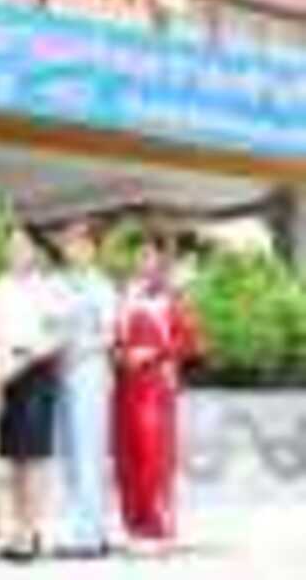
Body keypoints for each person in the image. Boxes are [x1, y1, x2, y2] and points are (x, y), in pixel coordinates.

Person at [114, 236, 200, 556]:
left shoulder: (172, 298)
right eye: (139, 256)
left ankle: (159, 527)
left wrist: (155, 353)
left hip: (156, 385)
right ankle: (134, 526)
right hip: (126, 385)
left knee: (155, 455)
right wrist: (119, 354)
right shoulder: (125, 296)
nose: (144, 262)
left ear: (160, 261)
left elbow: (190, 342)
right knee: (128, 455)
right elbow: (115, 338)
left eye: (150, 256)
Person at [0, 224, 64, 562]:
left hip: (35, 372)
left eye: (22, 245)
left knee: (33, 457)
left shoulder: (48, 288)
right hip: (5, 374)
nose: (16, 251)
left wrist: (26, 358)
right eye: (11, 245)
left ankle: (31, 532)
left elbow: (56, 336)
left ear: (35, 251)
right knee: (14, 458)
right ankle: (17, 528)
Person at [53, 219, 118, 559]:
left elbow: (109, 334)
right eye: (69, 243)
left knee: (89, 452)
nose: (74, 249)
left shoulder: (102, 286)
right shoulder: (57, 284)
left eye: (82, 243)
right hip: (61, 372)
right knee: (68, 452)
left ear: (93, 249)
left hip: (89, 370)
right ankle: (75, 529)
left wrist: (79, 350)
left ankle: (91, 535)